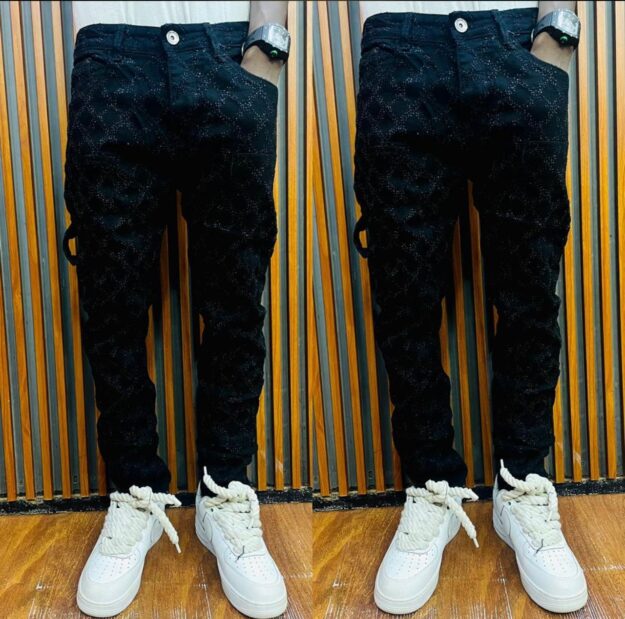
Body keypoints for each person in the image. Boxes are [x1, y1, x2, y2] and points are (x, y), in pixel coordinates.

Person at [354, 0, 586, 614]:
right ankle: (431, 486)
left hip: (519, 41)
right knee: (404, 300)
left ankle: (521, 487)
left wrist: (556, 35)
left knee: (529, 294)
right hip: (396, 51)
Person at [63, 2, 290, 617]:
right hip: (110, 58)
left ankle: (224, 491)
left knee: (235, 304)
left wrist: (266, 51)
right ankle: (134, 491)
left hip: (229, 56)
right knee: (111, 306)